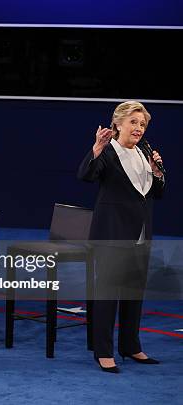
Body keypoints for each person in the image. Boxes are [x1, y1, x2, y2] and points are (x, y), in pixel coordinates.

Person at [78, 100, 164, 373]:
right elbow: (86, 176)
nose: (139, 128)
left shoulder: (145, 151)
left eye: (142, 124)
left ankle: (131, 346)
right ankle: (104, 352)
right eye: (134, 122)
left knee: (133, 294)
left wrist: (159, 171)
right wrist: (97, 149)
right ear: (118, 124)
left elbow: (154, 192)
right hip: (112, 235)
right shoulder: (108, 151)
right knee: (107, 295)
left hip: (139, 235)